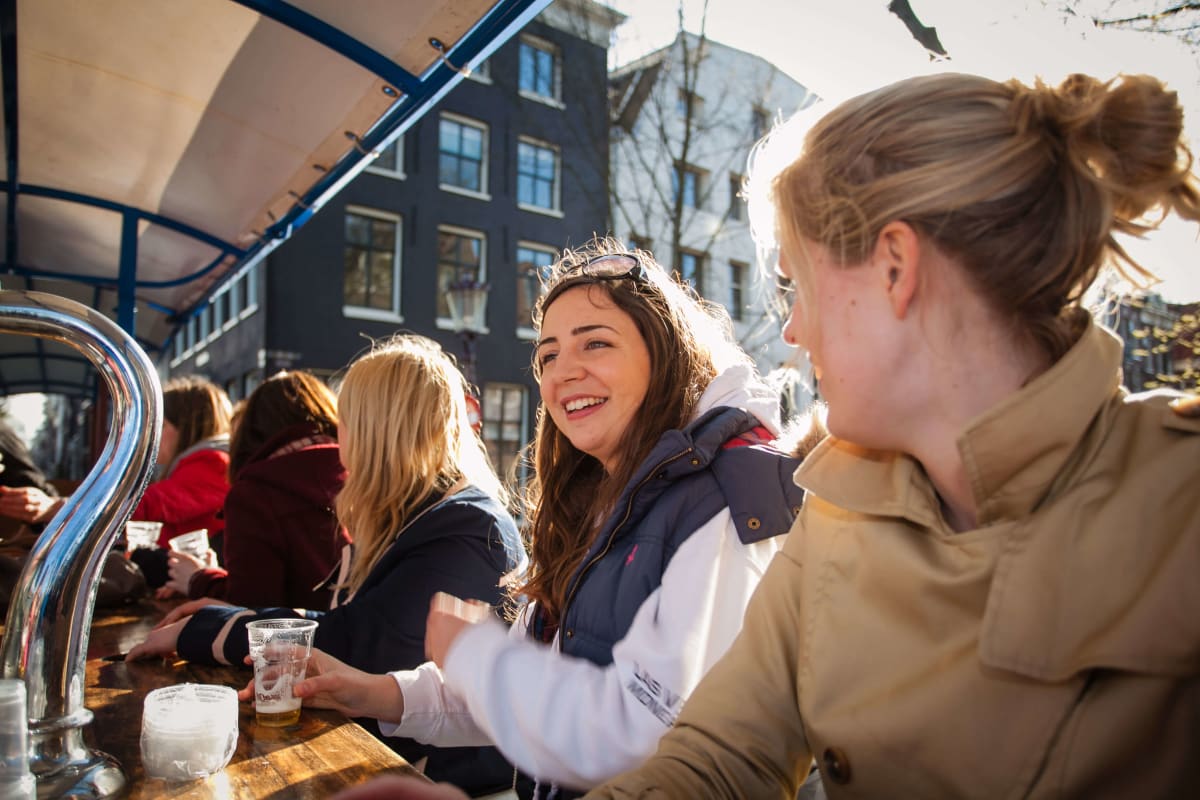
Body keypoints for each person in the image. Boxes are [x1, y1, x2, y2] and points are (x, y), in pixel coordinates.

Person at [575, 72, 1200, 797]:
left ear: (895, 268)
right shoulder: (837, 513)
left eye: (797, 285)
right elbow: (720, 757)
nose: (790, 330)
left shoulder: (1181, 501)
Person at [289, 238, 807, 799]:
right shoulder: (599, 497)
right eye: (549, 355)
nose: (563, 373)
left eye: (596, 343)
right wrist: (370, 691)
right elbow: (540, 682)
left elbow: (638, 734)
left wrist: (475, 653)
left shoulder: (726, 500)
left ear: (665, 353)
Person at [126, 334, 526, 796]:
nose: (338, 440)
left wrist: (208, 630)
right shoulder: (433, 518)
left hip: (447, 781)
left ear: (376, 430)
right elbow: (352, 628)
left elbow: (358, 647)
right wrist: (227, 618)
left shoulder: (467, 530)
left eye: (345, 422)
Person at [0, 376, 233, 588]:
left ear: (186, 429)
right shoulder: (201, 462)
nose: (153, 435)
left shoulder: (214, 462)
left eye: (160, 426)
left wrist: (56, 508)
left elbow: (146, 505)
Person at [161, 370, 352, 609]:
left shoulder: (257, 494)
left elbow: (251, 613)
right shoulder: (357, 474)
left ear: (251, 430)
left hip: (297, 644)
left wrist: (198, 578)